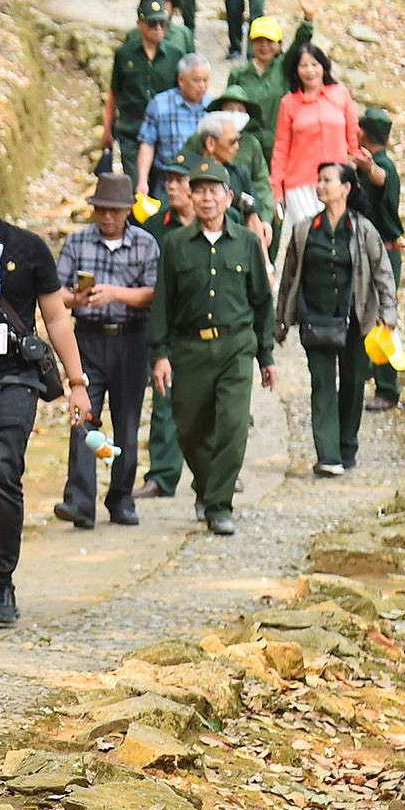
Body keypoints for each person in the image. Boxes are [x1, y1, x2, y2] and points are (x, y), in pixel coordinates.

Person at [0, 153, 90, 626]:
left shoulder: (28, 249)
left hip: (15, 380)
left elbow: (55, 317)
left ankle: (0, 585)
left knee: (2, 471)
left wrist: (77, 383)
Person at [148, 157, 277, 536]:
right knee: (189, 428)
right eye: (200, 191)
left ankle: (219, 505)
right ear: (190, 196)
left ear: (229, 197)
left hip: (237, 345)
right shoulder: (174, 245)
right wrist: (160, 354)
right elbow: (163, 304)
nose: (206, 199)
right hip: (189, 349)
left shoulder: (248, 243)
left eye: (214, 191)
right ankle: (206, 486)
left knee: (233, 426)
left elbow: (262, 302)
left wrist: (266, 355)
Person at [52, 172, 159, 529]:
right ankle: (80, 500)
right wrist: (76, 298)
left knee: (127, 422)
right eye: (102, 210)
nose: (108, 217)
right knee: (84, 416)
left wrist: (115, 293)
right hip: (88, 338)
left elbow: (153, 292)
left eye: (114, 210)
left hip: (131, 338)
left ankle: (122, 498)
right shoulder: (78, 243)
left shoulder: (145, 244)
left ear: (127, 210)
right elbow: (56, 293)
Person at [276, 161, 397, 476]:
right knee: (322, 382)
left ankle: (347, 446)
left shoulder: (363, 229)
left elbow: (383, 272)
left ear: (346, 188)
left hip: (355, 320)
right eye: (318, 180)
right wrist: (281, 320)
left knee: (354, 383)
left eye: (327, 180)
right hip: (315, 319)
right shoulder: (304, 230)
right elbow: (288, 278)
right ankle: (327, 455)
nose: (320, 185)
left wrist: (388, 313)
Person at [134, 154, 194, 502]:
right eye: (168, 179)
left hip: (210, 325)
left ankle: (218, 473)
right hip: (167, 324)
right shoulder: (156, 226)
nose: (172, 186)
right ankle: (161, 475)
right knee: (164, 399)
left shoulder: (217, 221)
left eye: (179, 180)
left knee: (211, 404)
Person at [269, 41, 359, 262]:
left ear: (323, 67)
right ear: (296, 71)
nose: (310, 71)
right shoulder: (289, 103)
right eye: (303, 66)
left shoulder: (340, 94)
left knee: (337, 240)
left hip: (336, 182)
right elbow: (281, 149)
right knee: (309, 243)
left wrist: (355, 170)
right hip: (300, 185)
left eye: (314, 64)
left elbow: (353, 138)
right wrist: (276, 192)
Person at [103, 0, 194, 182]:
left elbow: (183, 93)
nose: (158, 28)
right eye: (153, 23)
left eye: (163, 23)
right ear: (140, 25)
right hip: (131, 128)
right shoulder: (125, 54)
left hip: (164, 129)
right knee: (136, 184)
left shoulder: (175, 55)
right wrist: (107, 129)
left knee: (162, 183)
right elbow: (114, 92)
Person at [223, 0, 316, 171]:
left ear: (279, 45)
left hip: (279, 144)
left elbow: (300, 45)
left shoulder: (284, 68)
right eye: (258, 41)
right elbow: (228, 109)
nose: (263, 46)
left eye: (269, 41)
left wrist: (308, 19)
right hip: (246, 145)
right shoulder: (239, 73)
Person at [354, 108, 405, 412]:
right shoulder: (362, 165)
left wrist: (369, 166)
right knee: (363, 315)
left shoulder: (384, 166)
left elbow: (381, 177)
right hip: (365, 250)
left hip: (385, 252)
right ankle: (363, 375)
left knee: (384, 318)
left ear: (364, 133)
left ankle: (387, 388)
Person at [199, 92, 273, 254]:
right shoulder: (193, 171)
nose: (237, 148)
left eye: (241, 110)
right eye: (232, 142)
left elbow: (252, 215)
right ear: (211, 143)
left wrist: (265, 266)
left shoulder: (239, 172)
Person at [136, 53, 211, 198]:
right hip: (167, 181)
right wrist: (142, 181)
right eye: (196, 80)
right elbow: (147, 144)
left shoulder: (212, 107)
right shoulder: (160, 104)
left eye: (206, 80)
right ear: (181, 80)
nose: (202, 86)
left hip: (201, 182)